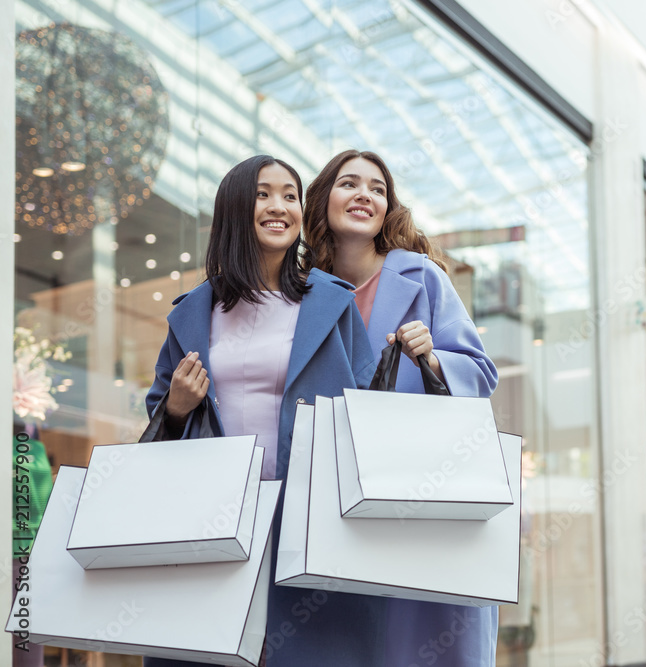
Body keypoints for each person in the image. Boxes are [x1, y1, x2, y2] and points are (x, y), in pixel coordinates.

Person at [144, 154, 383, 667]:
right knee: (206, 651)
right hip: (213, 521)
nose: (280, 207)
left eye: (290, 195)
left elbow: (368, 408)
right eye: (263, 194)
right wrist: (179, 407)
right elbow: (157, 422)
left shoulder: (331, 303)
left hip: (309, 520)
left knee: (317, 650)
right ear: (234, 207)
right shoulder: (192, 311)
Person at [303, 149, 500, 666]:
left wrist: (431, 355)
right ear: (324, 200)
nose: (364, 195)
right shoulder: (302, 294)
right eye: (349, 184)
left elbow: (481, 376)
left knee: (419, 641)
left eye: (377, 188)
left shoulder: (422, 279)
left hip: (422, 495)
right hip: (339, 504)